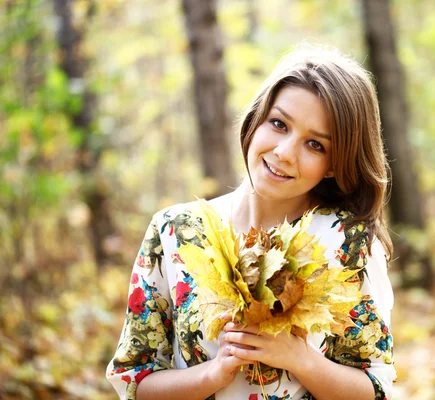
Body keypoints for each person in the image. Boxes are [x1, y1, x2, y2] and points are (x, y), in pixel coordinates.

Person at [106, 44, 396, 400]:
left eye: (315, 145)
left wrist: (301, 360)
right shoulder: (173, 231)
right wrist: (211, 375)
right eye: (279, 124)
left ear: (335, 163)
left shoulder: (347, 243)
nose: (285, 153)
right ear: (257, 118)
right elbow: (133, 381)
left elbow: (378, 390)